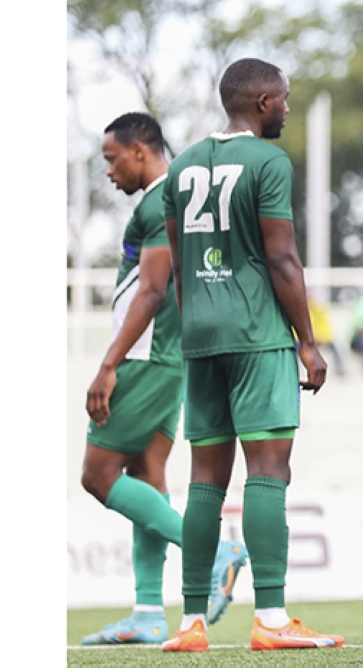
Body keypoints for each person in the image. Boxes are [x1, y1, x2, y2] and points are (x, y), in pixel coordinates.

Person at [160, 57, 343, 652]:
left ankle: (190, 624)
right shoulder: (267, 161)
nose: (287, 109)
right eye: (285, 99)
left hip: (201, 337)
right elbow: (283, 259)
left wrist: (196, 329)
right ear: (264, 102)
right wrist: (308, 342)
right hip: (257, 333)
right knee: (268, 471)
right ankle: (270, 618)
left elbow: (180, 269)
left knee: (205, 482)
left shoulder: (181, 165)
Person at [79, 112, 247, 645]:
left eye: (111, 159)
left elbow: (151, 291)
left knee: (98, 476)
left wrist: (108, 364)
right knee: (147, 477)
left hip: (146, 358)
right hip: (173, 356)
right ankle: (149, 611)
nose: (109, 172)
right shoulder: (182, 196)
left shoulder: (159, 200)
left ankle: (214, 550)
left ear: (140, 150)